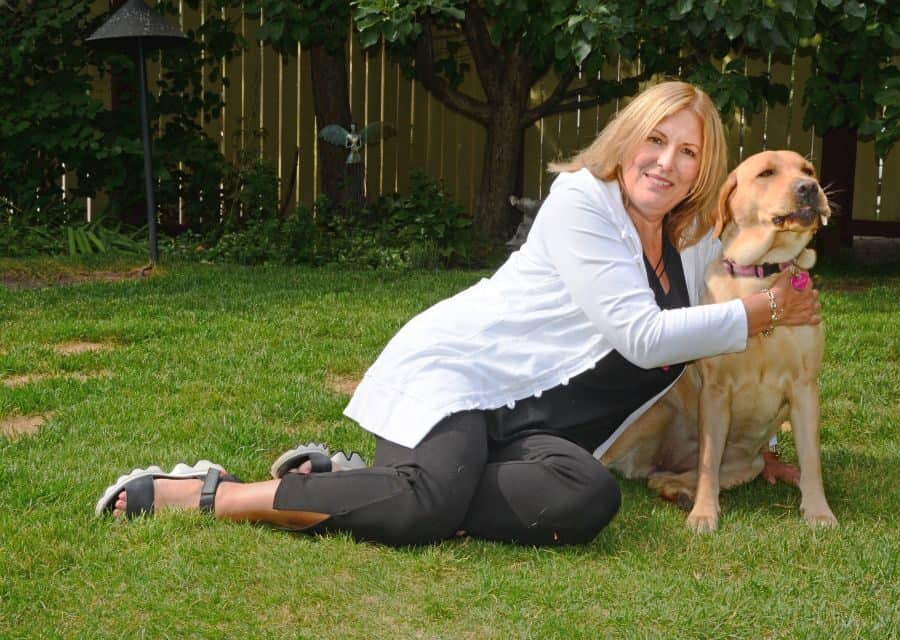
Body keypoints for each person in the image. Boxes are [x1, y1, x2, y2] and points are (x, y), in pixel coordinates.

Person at [97, 80, 821, 546]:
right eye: (655, 140)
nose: (666, 163)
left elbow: (748, 266)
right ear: (627, 141)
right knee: (427, 509)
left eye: (689, 152)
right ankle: (208, 493)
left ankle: (347, 480)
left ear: (706, 169)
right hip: (465, 382)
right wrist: (757, 313)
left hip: (532, 436)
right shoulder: (583, 202)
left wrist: (752, 449)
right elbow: (641, 338)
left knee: (586, 500)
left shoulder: (693, 242)